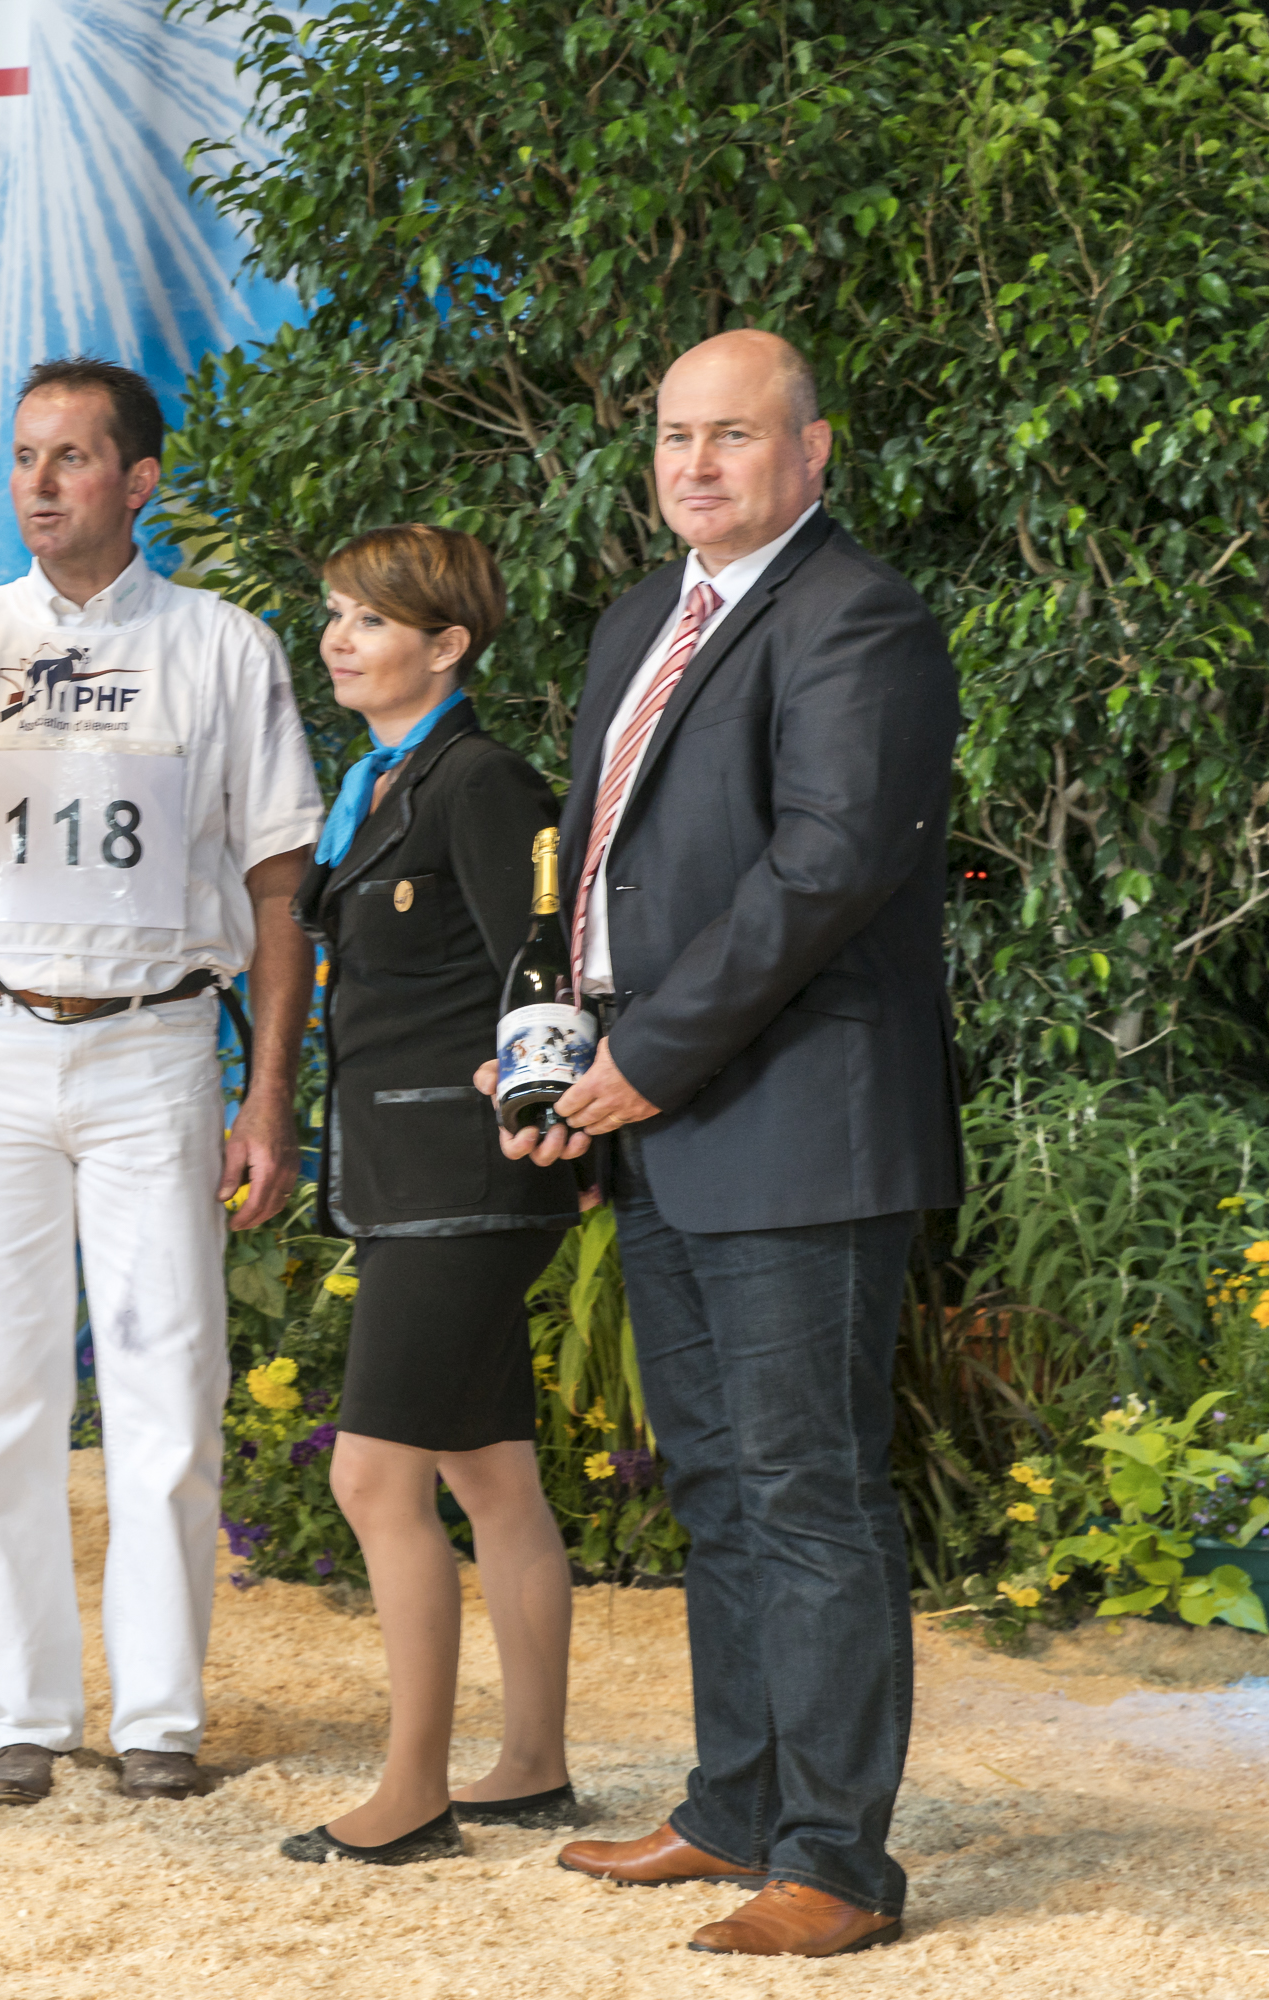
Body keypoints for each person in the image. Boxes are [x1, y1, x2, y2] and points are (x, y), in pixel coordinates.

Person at [487, 330, 960, 1955]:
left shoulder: (857, 618)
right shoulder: (642, 618)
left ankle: (835, 1865)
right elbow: (592, 870)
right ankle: (736, 1809)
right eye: (674, 437)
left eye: (733, 435)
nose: (695, 464)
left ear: (809, 452)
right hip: (662, 1107)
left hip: (796, 1117)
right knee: (714, 1482)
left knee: (805, 1489)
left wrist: (647, 1058)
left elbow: (821, 873)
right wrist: (555, 1049)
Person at [0, 356, 324, 1807]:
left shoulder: (224, 645)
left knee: (168, 1386)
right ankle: (24, 1714)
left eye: (73, 457)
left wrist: (267, 1097)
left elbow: (281, 883)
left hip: (157, 1049)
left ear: (138, 480)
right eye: (25, 457)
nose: (39, 483)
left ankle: (158, 1719)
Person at [273, 526, 584, 1868]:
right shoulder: (381, 784)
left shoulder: (481, 781)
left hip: (469, 1172)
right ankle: (532, 1766)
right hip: (408, 1170)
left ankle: (410, 1794)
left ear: (447, 645)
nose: (339, 639)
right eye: (336, 614)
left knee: (371, 1477)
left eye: (371, 619)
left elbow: (543, 962)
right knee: (487, 1471)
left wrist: (544, 1111)